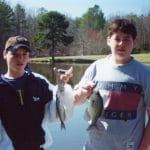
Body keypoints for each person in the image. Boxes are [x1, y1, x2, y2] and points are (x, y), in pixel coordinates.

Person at [61, 19, 150, 150]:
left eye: (126, 39)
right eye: (117, 39)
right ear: (108, 41)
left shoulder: (145, 74)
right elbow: (75, 101)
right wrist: (82, 93)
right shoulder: (95, 67)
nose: (121, 43)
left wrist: (142, 148)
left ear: (134, 43)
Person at [0, 35, 74, 150]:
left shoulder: (39, 82)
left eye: (24, 54)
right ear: (5, 54)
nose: (20, 58)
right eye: (15, 54)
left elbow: (55, 115)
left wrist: (61, 87)